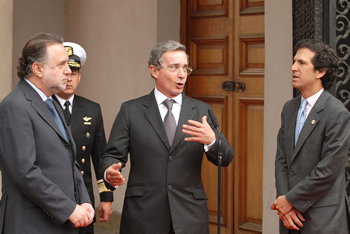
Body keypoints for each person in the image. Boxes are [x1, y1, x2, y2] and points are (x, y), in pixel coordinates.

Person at [99, 40, 234, 234]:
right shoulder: (131, 110)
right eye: (174, 68)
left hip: (189, 215)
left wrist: (212, 140)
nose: (182, 74)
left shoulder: (201, 110)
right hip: (143, 215)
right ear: (154, 71)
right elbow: (111, 156)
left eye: (185, 68)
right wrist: (108, 172)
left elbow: (226, 158)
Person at [0, 33, 94, 234]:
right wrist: (68, 208)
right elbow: (25, 172)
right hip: (31, 224)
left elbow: (71, 162)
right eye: (61, 65)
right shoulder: (14, 107)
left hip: (62, 222)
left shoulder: (51, 102)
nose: (68, 71)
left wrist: (83, 200)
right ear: (38, 69)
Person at [271, 39, 350, 233]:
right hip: (290, 219)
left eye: (302, 63)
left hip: (322, 220)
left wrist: (290, 200)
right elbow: (282, 161)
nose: (293, 68)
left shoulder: (336, 113)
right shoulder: (289, 109)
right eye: (294, 61)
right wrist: (285, 206)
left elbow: (328, 171)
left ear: (320, 72)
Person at [53, 42, 113, 234]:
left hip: (83, 198)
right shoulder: (42, 107)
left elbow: (100, 157)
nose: (69, 77)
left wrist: (106, 197)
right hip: (52, 197)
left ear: (80, 76)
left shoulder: (92, 109)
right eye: (65, 72)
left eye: (74, 72)